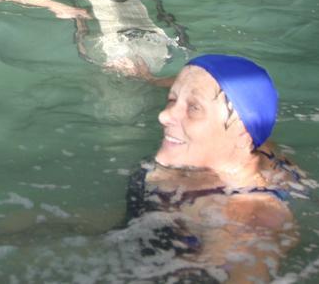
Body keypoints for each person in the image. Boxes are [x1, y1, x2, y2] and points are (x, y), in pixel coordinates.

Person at [125, 55, 303, 282]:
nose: (164, 115)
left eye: (194, 108)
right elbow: (204, 89)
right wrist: (148, 79)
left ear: (243, 133)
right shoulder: (255, 141)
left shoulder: (243, 221)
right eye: (172, 100)